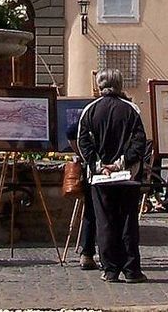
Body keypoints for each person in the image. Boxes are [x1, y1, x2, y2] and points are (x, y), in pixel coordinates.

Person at [77, 69, 148, 283]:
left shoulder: (90, 110)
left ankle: (110, 269)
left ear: (100, 85)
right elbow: (139, 142)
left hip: (100, 178)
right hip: (127, 176)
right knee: (128, 222)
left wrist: (99, 165)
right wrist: (121, 163)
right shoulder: (131, 110)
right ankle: (131, 269)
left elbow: (83, 142)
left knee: (105, 222)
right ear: (119, 84)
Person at [67, 115, 98, 270]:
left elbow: (71, 133)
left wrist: (80, 153)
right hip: (107, 170)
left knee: (90, 213)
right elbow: (71, 132)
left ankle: (87, 253)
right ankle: (93, 253)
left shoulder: (90, 116)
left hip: (92, 169)